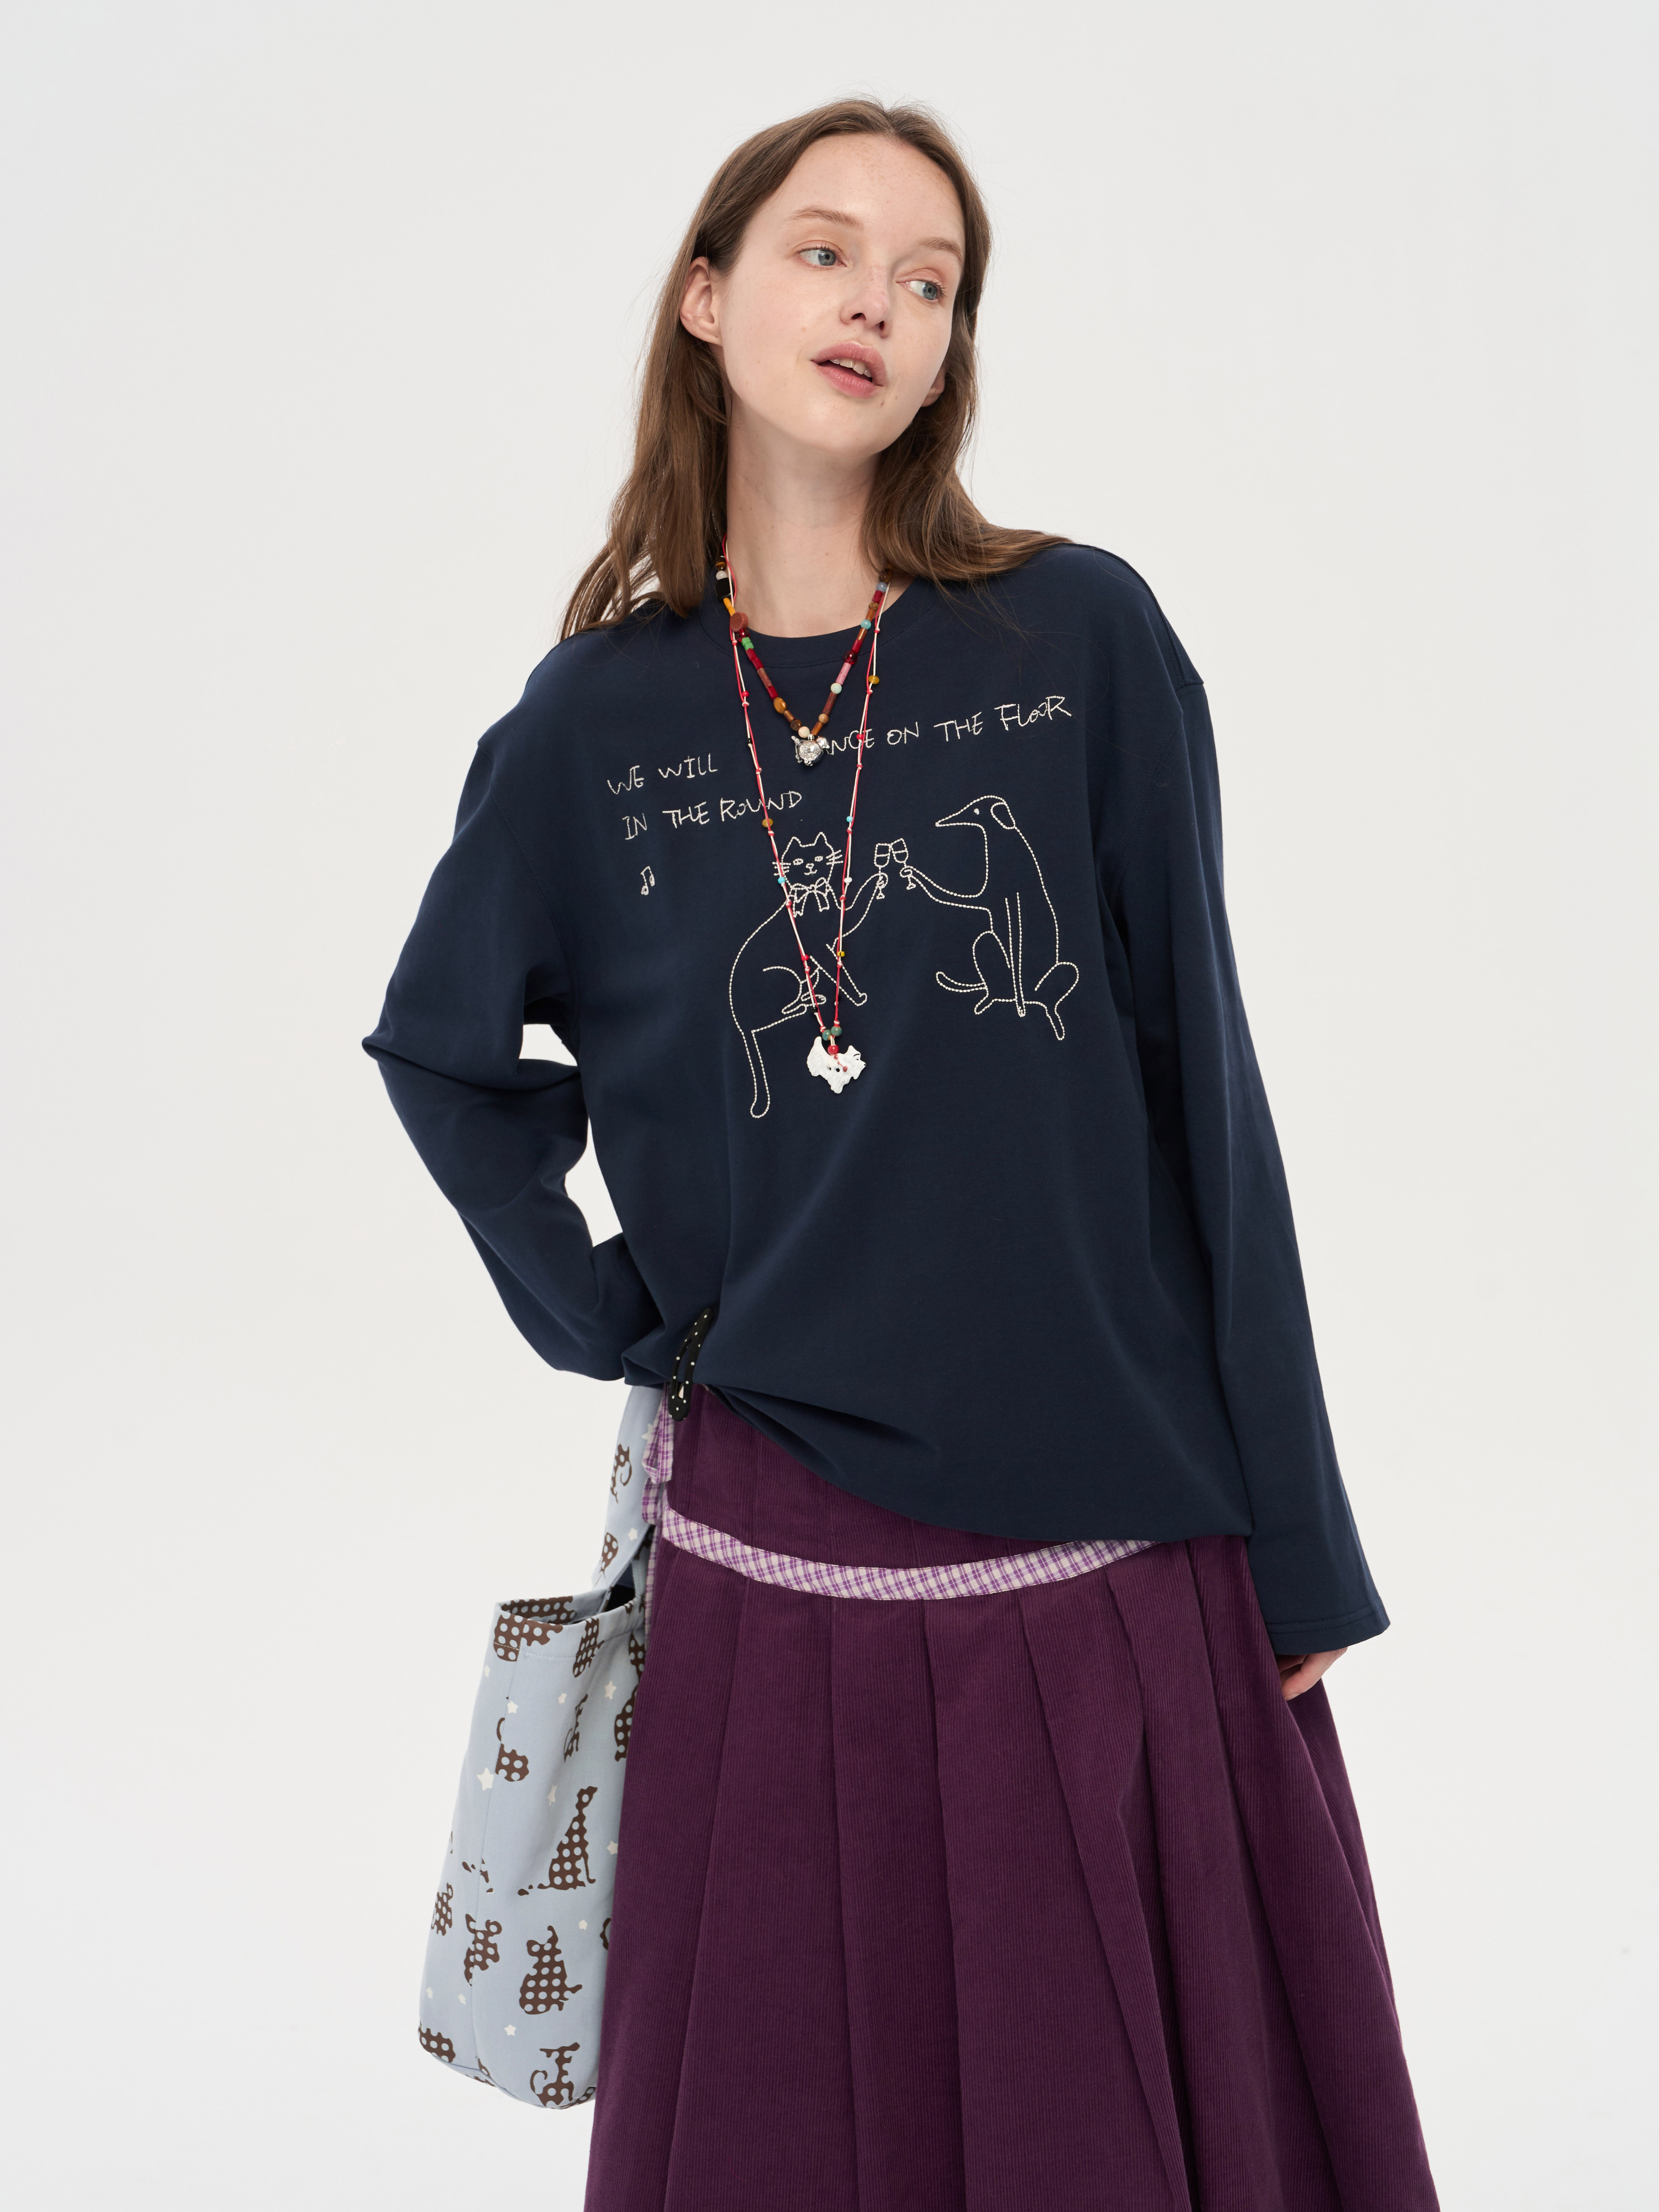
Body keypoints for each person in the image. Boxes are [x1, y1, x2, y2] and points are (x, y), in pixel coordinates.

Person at [365, 98, 1440, 2212]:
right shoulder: (591, 727)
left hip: (1116, 1553)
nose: (879, 301)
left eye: (930, 280)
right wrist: (617, 1317)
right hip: (775, 1570)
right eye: (827, 250)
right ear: (707, 297)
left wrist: (1303, 1537)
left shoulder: (1078, 643)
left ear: (953, 351)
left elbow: (1207, 1092)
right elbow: (440, 1052)